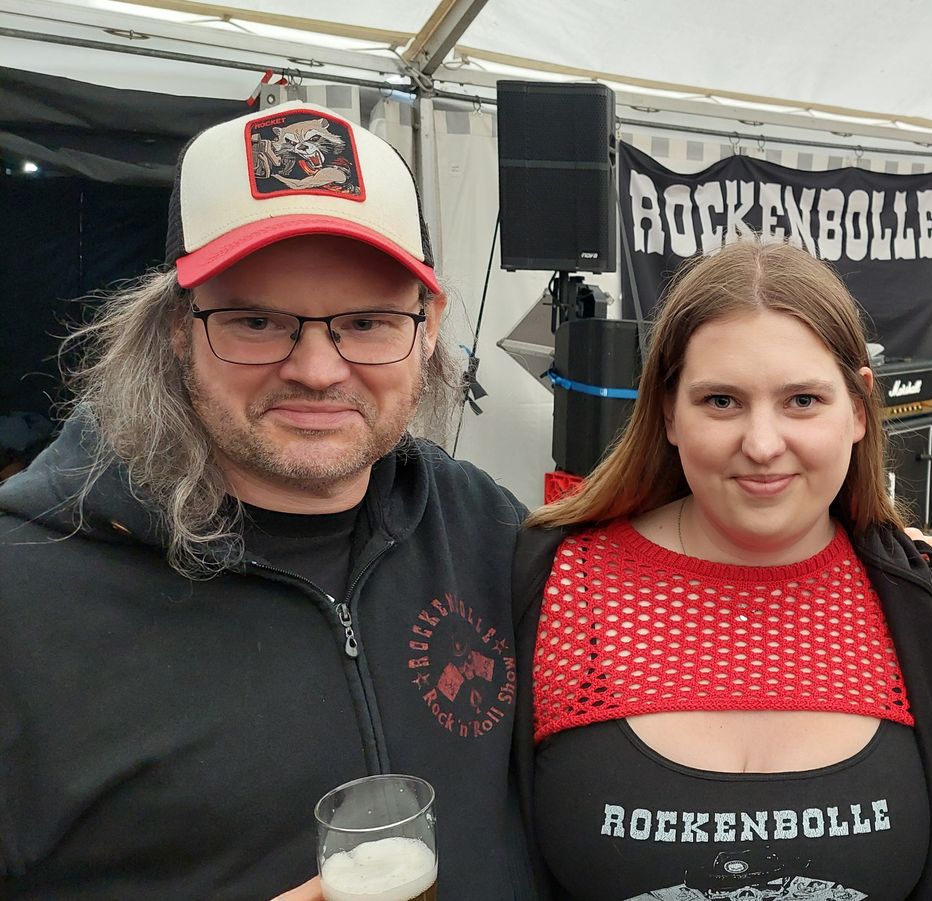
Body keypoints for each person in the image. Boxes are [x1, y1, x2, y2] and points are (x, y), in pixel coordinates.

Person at [0, 103, 535, 898]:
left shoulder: (487, 527)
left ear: (428, 328)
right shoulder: (24, 586)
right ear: (177, 328)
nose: (317, 369)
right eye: (256, 320)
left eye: (367, 321)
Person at [512, 239, 932, 901]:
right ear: (668, 410)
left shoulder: (921, 601)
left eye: (802, 400)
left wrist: (919, 562)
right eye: (722, 401)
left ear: (858, 409)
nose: (761, 444)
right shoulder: (556, 582)